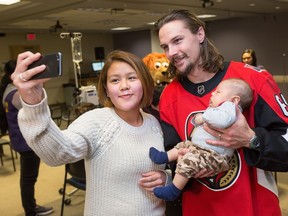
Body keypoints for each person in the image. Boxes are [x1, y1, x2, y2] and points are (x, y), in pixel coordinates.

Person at [154, 9, 288, 216]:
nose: (171, 52)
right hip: (199, 209)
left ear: (200, 34)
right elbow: (171, 155)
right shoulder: (169, 96)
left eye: (178, 40)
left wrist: (251, 139)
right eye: (165, 46)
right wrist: (173, 169)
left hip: (254, 209)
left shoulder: (252, 80)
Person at [11, 50, 168, 216]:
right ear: (107, 89)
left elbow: (167, 166)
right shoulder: (97, 122)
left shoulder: (153, 122)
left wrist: (166, 177)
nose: (124, 86)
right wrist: (33, 102)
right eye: (115, 80)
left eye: (131, 78)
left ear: (144, 82)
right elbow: (56, 153)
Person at [149, 78, 253, 201]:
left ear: (234, 99)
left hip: (215, 156)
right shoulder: (220, 110)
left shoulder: (230, 108)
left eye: (218, 92)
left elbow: (222, 121)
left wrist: (203, 117)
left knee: (189, 161)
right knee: (183, 145)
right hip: (202, 149)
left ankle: (174, 190)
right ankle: (164, 157)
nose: (212, 94)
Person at [0, 60, 53, 216]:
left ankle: (31, 207)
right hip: (26, 142)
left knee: (27, 177)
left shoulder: (8, 90)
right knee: (29, 179)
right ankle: (31, 210)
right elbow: (37, 112)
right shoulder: (16, 94)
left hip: (19, 139)